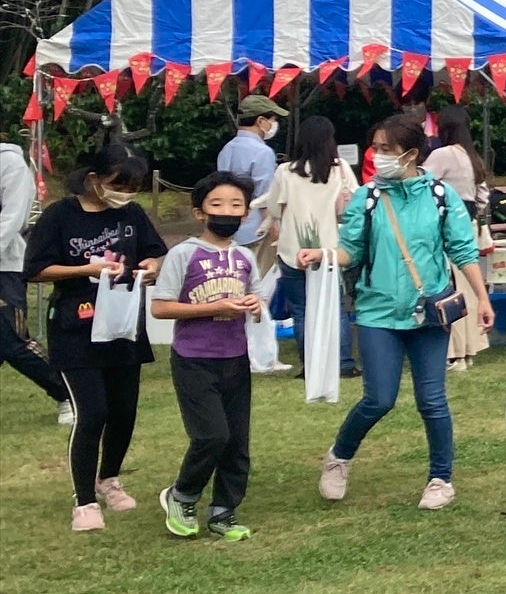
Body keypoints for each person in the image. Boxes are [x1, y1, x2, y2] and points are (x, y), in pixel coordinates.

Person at [320, 112, 492, 513]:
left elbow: (463, 251)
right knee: (378, 399)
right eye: (375, 148)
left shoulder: (439, 195)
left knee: (432, 399)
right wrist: (326, 256)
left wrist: (483, 298)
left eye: (387, 149)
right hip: (377, 312)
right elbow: (351, 252)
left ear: (412, 153)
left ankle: (440, 478)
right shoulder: (367, 198)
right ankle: (339, 457)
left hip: (430, 311)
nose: (378, 156)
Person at [28, 147, 165, 532]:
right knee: (93, 412)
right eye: (119, 184)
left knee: (124, 411)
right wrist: (86, 268)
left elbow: (155, 253)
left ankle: (109, 478)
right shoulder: (59, 215)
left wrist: (150, 268)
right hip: (76, 328)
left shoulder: (132, 215)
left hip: (123, 324)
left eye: (133, 186)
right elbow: (36, 270)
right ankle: (84, 501)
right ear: (94, 179)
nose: (125, 193)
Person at [150, 172, 264, 540]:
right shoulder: (184, 253)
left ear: (246, 214)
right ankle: (181, 494)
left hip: (235, 357)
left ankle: (223, 512)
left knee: (236, 441)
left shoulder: (245, 256)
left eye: (236, 205)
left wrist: (253, 305)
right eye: (217, 204)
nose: (227, 211)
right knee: (212, 435)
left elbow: (259, 301)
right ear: (200, 212)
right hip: (194, 358)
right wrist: (213, 308)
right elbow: (161, 308)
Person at [263, 115, 358, 378]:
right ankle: (343, 363)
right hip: (330, 250)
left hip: (293, 251)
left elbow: (274, 208)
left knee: (302, 310)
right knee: (335, 307)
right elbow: (355, 205)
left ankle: (312, 366)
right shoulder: (339, 169)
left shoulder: (286, 171)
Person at [422, 104, 495, 370]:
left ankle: (454, 353)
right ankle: (469, 351)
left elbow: (421, 184)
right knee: (468, 290)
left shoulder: (442, 154)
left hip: (446, 227)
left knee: (448, 289)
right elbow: (483, 196)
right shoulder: (472, 156)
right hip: (469, 224)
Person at [0, 135, 69, 410]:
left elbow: (13, 218)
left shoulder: (10, 163)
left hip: (4, 267)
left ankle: (68, 393)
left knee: (12, 341)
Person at [216, 93, 286, 254]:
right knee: (260, 277)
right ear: (261, 121)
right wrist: (275, 231)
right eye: (273, 119)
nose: (274, 124)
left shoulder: (226, 149)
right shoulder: (263, 152)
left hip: (229, 227)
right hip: (256, 231)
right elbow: (265, 197)